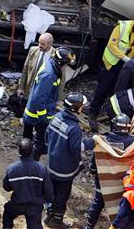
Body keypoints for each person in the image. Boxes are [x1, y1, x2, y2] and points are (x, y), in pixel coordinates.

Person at [89, 18, 134, 132]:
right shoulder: (122, 27)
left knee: (123, 92)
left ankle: (119, 116)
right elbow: (111, 45)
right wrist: (125, 58)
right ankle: (93, 113)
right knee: (103, 89)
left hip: (129, 66)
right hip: (114, 64)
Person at [82, 114, 134, 229]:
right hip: (123, 182)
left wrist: (92, 171)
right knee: (120, 206)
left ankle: (89, 226)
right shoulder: (133, 142)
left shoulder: (103, 139)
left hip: (103, 179)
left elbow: (95, 158)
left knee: (97, 203)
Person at [24, 47, 77, 160]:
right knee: (38, 137)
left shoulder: (52, 66)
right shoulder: (49, 74)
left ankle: (39, 148)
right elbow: (38, 98)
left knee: (39, 135)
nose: (66, 67)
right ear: (60, 62)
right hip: (38, 113)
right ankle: (34, 160)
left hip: (40, 109)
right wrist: (43, 116)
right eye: (66, 64)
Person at [45, 92, 88, 229]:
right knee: (62, 196)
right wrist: (92, 142)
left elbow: (46, 137)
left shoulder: (56, 117)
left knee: (51, 192)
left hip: (51, 165)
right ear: (76, 108)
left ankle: (48, 216)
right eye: (82, 106)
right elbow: (76, 149)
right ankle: (56, 222)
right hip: (64, 171)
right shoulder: (74, 129)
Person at [3, 138, 53, 229]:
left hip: (17, 204)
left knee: (7, 214)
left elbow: (6, 187)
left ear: (19, 151)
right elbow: (48, 190)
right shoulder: (42, 169)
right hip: (35, 207)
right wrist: (49, 203)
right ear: (32, 151)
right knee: (35, 225)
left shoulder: (11, 169)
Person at [18, 33, 55, 98]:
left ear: (50, 45)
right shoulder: (33, 50)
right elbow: (25, 70)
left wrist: (57, 98)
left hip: (45, 93)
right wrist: (21, 88)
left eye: (43, 44)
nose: (39, 45)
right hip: (30, 90)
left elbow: (62, 79)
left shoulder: (56, 56)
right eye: (39, 43)